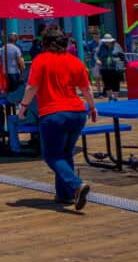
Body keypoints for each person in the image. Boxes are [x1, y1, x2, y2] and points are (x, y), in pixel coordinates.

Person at [18, 25, 97, 210]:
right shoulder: (75, 61)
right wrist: (92, 108)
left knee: (52, 156)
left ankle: (76, 184)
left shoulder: (41, 60)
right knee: (65, 153)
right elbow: (86, 89)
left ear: (45, 43)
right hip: (77, 113)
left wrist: (23, 107)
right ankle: (65, 195)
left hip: (53, 114)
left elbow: (32, 87)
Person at [96, 34, 126, 102]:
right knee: (107, 84)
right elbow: (96, 55)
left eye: (108, 41)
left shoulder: (117, 46)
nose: (107, 42)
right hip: (104, 68)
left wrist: (126, 63)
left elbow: (122, 55)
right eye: (106, 41)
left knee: (116, 83)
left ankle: (115, 98)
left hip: (115, 68)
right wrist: (97, 60)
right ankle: (110, 98)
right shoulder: (101, 46)